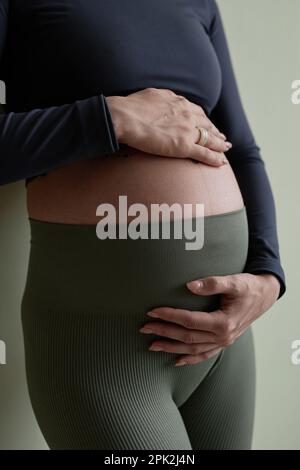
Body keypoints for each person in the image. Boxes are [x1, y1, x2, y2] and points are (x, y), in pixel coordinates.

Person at [0, 0, 285, 450]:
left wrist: (268, 275)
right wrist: (110, 117)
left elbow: (243, 149)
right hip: (98, 346)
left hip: (220, 336)